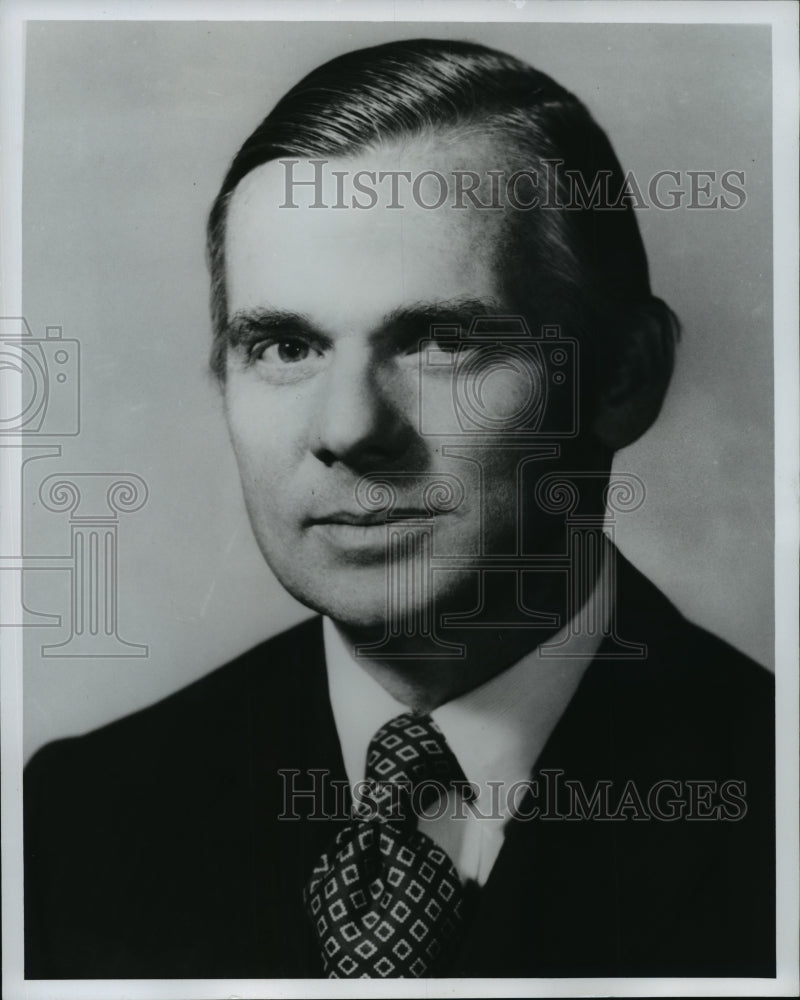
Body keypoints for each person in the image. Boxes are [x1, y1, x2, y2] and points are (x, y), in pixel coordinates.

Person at [24, 38, 774, 980]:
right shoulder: (76, 818)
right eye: (285, 346)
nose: (348, 428)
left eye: (441, 341)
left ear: (625, 379)